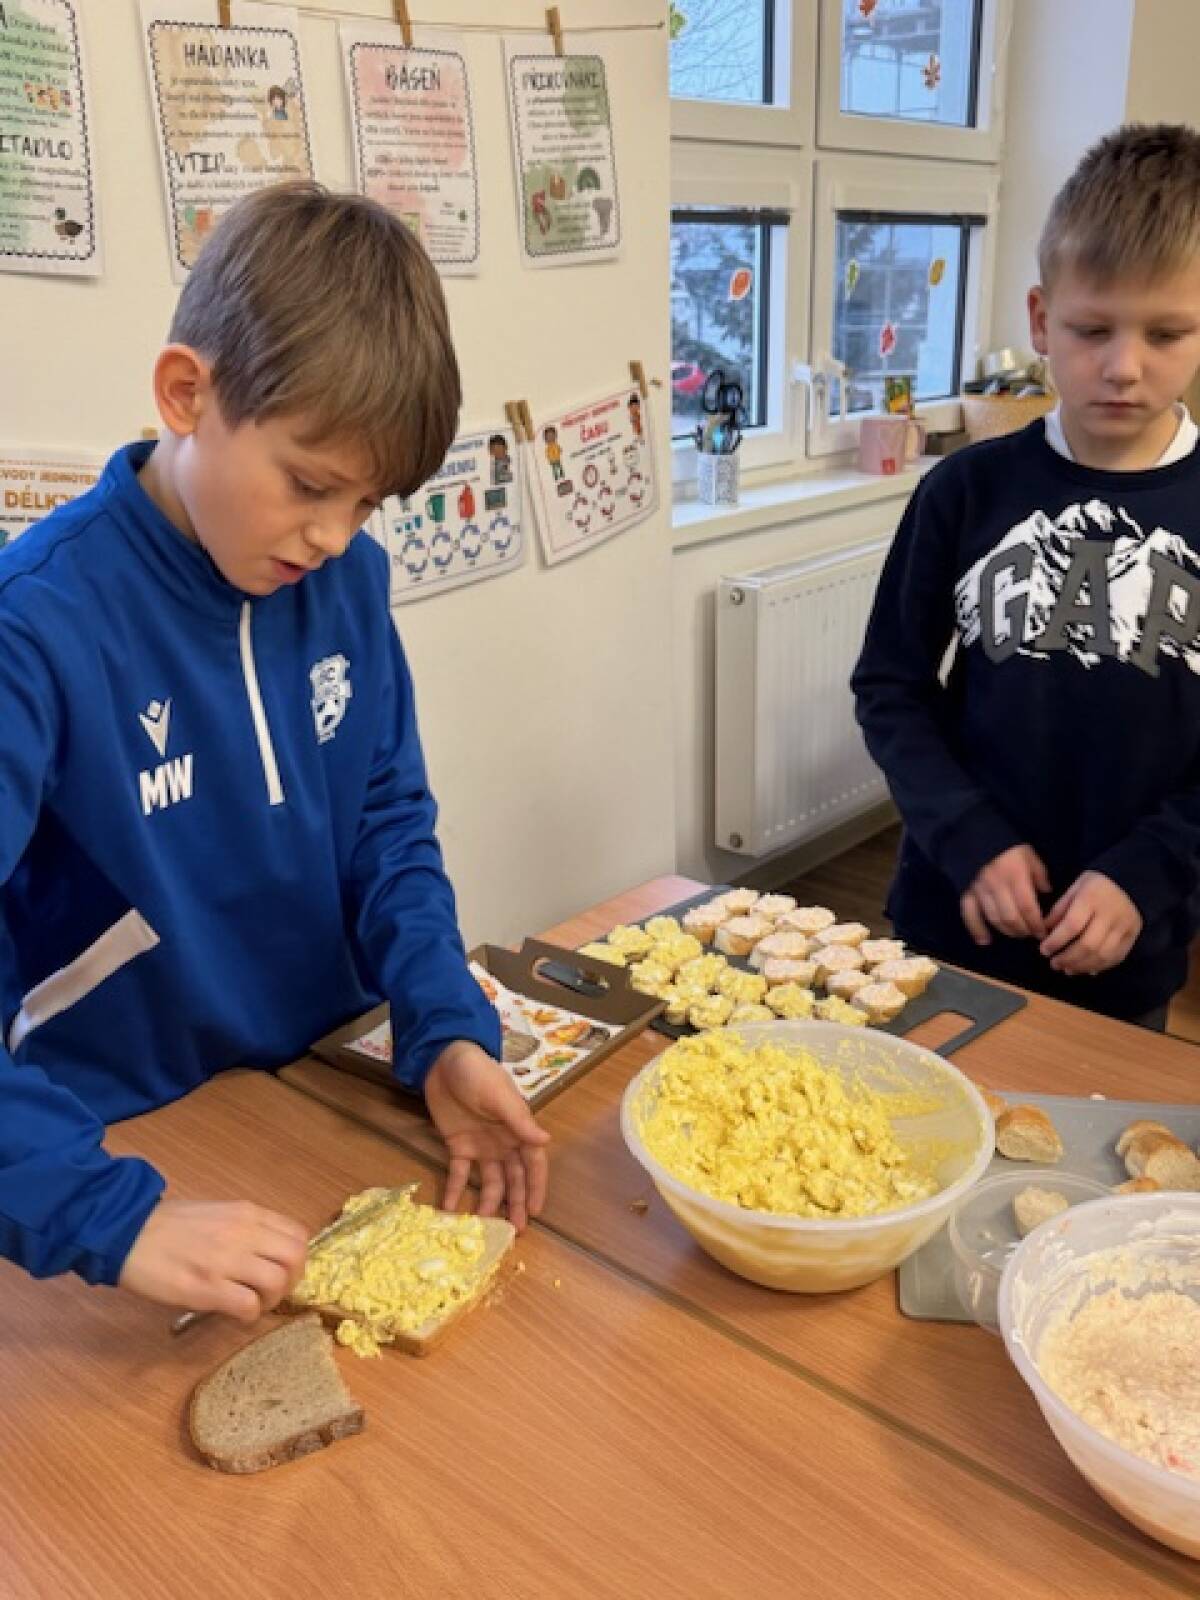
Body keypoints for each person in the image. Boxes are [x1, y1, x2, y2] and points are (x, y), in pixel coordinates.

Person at [0, 181, 548, 1321]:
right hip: (107, 1143)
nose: (334, 536)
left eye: (369, 503)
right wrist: (108, 1213)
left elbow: (387, 825)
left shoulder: (346, 580)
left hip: (324, 1082)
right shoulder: (35, 628)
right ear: (186, 394)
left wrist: (443, 1021)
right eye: (310, 485)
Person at [852, 123, 1200, 1031]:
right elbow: (889, 687)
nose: (1123, 367)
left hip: (1128, 948)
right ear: (1042, 320)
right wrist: (964, 832)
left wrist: (1150, 871)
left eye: (1167, 333)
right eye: (1091, 330)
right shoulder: (963, 491)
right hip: (949, 921)